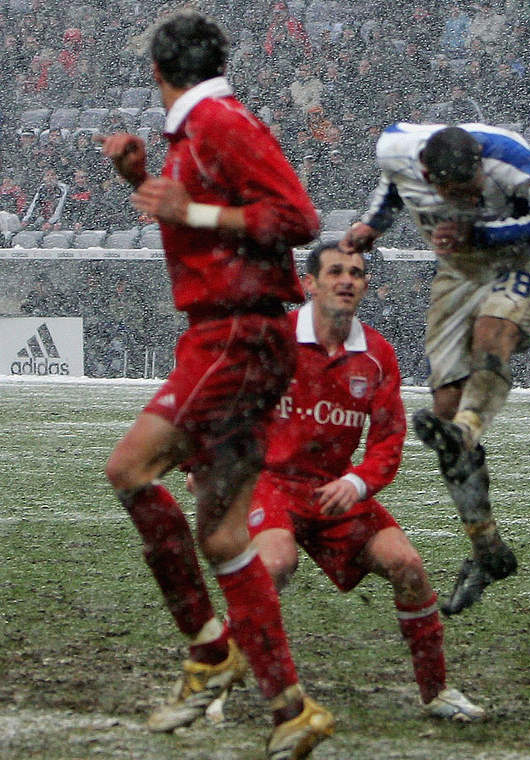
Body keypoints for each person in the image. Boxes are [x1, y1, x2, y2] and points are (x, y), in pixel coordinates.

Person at [98, 11, 333, 758]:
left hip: (235, 334)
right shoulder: (197, 130)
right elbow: (206, 226)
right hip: (239, 336)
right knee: (227, 534)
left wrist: (187, 204)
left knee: (130, 469)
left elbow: (297, 217)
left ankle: (207, 651)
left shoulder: (219, 121)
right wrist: (144, 182)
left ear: (158, 74)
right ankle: (291, 708)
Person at [340, 121, 530, 615]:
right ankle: (487, 549)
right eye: (458, 194)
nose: (469, 196)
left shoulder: (508, 160)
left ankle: (468, 428)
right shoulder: (397, 150)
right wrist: (373, 225)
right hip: (457, 273)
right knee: (445, 408)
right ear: (430, 175)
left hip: (520, 260)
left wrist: (482, 230)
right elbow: (392, 183)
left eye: (474, 187)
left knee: (493, 333)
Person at [246, 242, 486, 722]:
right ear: (309, 283)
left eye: (356, 272)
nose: (347, 280)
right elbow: (222, 400)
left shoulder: (376, 355)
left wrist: (356, 484)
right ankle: (218, 678)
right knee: (273, 566)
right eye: (335, 271)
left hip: (336, 489)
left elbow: (387, 444)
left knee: (409, 566)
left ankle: (436, 692)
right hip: (273, 483)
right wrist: (197, 466)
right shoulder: (274, 339)